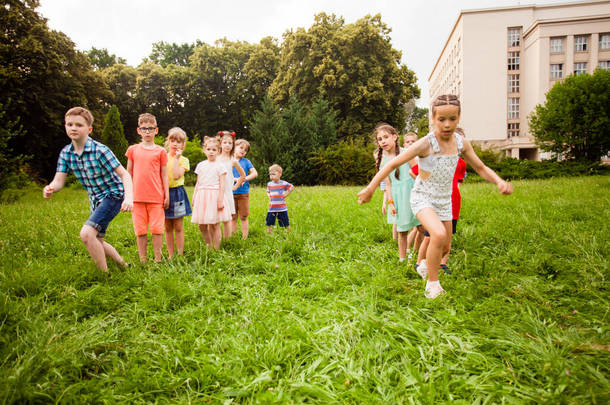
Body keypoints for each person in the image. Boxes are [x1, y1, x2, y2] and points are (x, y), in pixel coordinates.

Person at [358, 94, 513, 299]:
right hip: (423, 197)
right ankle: (433, 284)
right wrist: (370, 188)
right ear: (433, 118)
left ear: (458, 118)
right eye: (441, 119)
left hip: (444, 200)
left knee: (445, 245)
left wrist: (499, 181)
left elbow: (480, 167)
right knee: (437, 235)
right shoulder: (426, 144)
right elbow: (393, 163)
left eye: (452, 119)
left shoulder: (460, 143)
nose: (447, 124)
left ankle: (425, 265)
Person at [43, 107, 133, 272]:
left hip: (113, 195)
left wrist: (128, 198)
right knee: (96, 240)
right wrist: (50, 188)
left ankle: (103, 276)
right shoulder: (66, 154)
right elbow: (59, 181)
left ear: (89, 129)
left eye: (79, 125)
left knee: (86, 234)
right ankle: (123, 265)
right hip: (96, 198)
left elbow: (125, 174)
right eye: (69, 124)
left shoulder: (100, 151)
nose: (73, 128)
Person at [414, 127, 468, 276]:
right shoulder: (433, 156)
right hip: (432, 202)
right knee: (430, 236)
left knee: (446, 243)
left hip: (451, 202)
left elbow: (458, 183)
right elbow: (415, 170)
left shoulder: (462, 163)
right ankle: (419, 262)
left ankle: (441, 263)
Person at [126, 113, 169, 263]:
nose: (147, 132)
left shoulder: (161, 151)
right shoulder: (133, 150)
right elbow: (128, 173)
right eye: (144, 129)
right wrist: (128, 195)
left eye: (151, 129)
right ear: (139, 130)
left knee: (157, 229)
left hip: (156, 197)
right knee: (140, 230)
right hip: (137, 198)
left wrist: (166, 195)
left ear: (156, 130)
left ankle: (158, 259)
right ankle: (142, 259)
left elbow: (164, 175)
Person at [373, 124, 420, 262]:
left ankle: (418, 254)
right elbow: (388, 184)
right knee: (402, 230)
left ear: (394, 137)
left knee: (422, 226)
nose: (383, 141)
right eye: (380, 139)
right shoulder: (382, 160)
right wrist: (391, 203)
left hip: (413, 192)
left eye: (386, 137)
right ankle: (402, 259)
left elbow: (416, 172)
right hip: (398, 197)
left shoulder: (407, 152)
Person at [191, 137, 232, 250]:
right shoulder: (201, 165)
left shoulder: (220, 166)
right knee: (202, 224)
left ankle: (216, 247)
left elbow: (222, 185)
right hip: (202, 196)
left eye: (214, 150)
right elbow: (198, 182)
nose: (211, 152)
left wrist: (220, 199)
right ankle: (208, 244)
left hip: (215, 195)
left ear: (218, 151)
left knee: (215, 223)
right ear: (204, 150)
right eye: (208, 149)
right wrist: (194, 196)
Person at [163, 127, 192, 259]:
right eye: (172, 140)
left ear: (183, 145)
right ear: (168, 142)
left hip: (177, 193)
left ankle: (180, 254)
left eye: (178, 141)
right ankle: (170, 254)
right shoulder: (162, 157)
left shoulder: (183, 160)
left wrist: (176, 158)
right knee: (167, 227)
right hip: (164, 192)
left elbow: (175, 175)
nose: (175, 144)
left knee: (178, 226)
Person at [217, 131, 246, 239]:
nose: (227, 145)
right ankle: (217, 239)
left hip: (227, 191)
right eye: (225, 142)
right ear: (220, 143)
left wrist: (235, 186)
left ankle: (227, 240)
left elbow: (243, 175)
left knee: (227, 218)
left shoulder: (232, 160)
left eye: (230, 143)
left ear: (233, 145)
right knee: (216, 218)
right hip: (216, 190)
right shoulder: (216, 157)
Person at [231, 139, 258, 239]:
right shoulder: (229, 161)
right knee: (232, 217)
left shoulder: (246, 162)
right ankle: (232, 237)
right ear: (234, 147)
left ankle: (244, 237)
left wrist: (244, 178)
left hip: (243, 193)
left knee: (243, 216)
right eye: (241, 148)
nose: (243, 151)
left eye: (245, 150)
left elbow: (255, 173)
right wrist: (235, 179)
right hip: (231, 192)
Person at [403, 132, 424, 256]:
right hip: (408, 192)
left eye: (413, 142)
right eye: (408, 142)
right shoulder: (403, 157)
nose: (411, 144)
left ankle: (413, 249)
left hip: (419, 192)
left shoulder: (420, 157)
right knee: (416, 224)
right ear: (404, 144)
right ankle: (408, 248)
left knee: (419, 225)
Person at [266, 164, 294, 233]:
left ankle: (289, 233)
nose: (271, 176)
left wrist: (286, 194)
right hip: (272, 208)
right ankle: (269, 233)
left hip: (282, 208)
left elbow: (291, 187)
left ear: (280, 174)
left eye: (274, 174)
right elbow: (267, 191)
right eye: (270, 174)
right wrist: (269, 196)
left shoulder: (283, 183)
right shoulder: (269, 184)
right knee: (269, 222)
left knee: (285, 222)